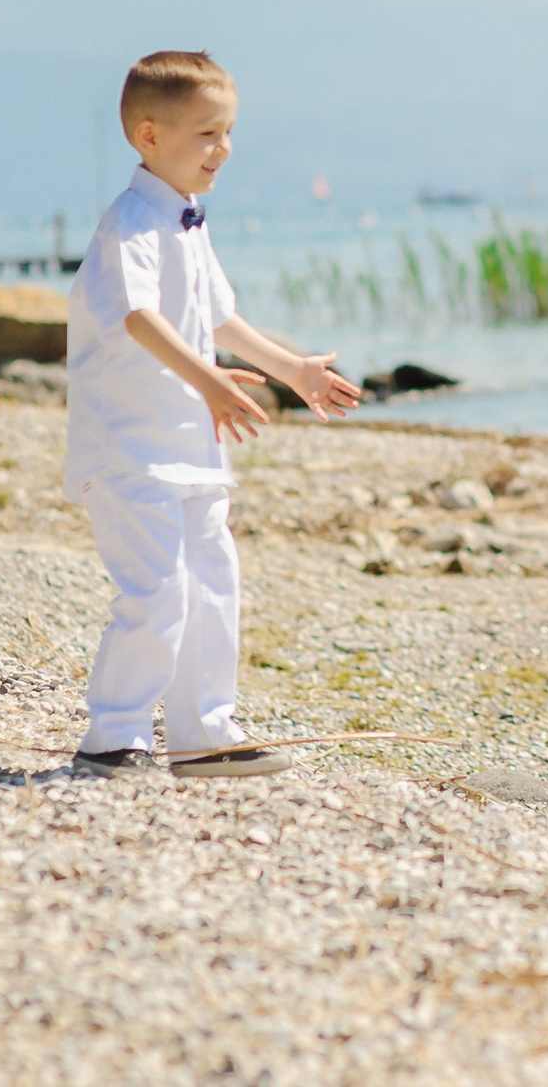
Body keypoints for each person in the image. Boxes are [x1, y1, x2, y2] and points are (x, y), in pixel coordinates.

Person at [66, 50, 362, 779]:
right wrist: (207, 381)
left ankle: (205, 732)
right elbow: (139, 317)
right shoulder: (131, 224)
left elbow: (218, 317)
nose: (222, 150)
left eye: (227, 133)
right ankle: (115, 733)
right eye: (206, 134)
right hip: (131, 450)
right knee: (158, 588)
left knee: (213, 584)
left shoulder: (189, 223)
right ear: (148, 136)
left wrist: (291, 370)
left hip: (193, 451)